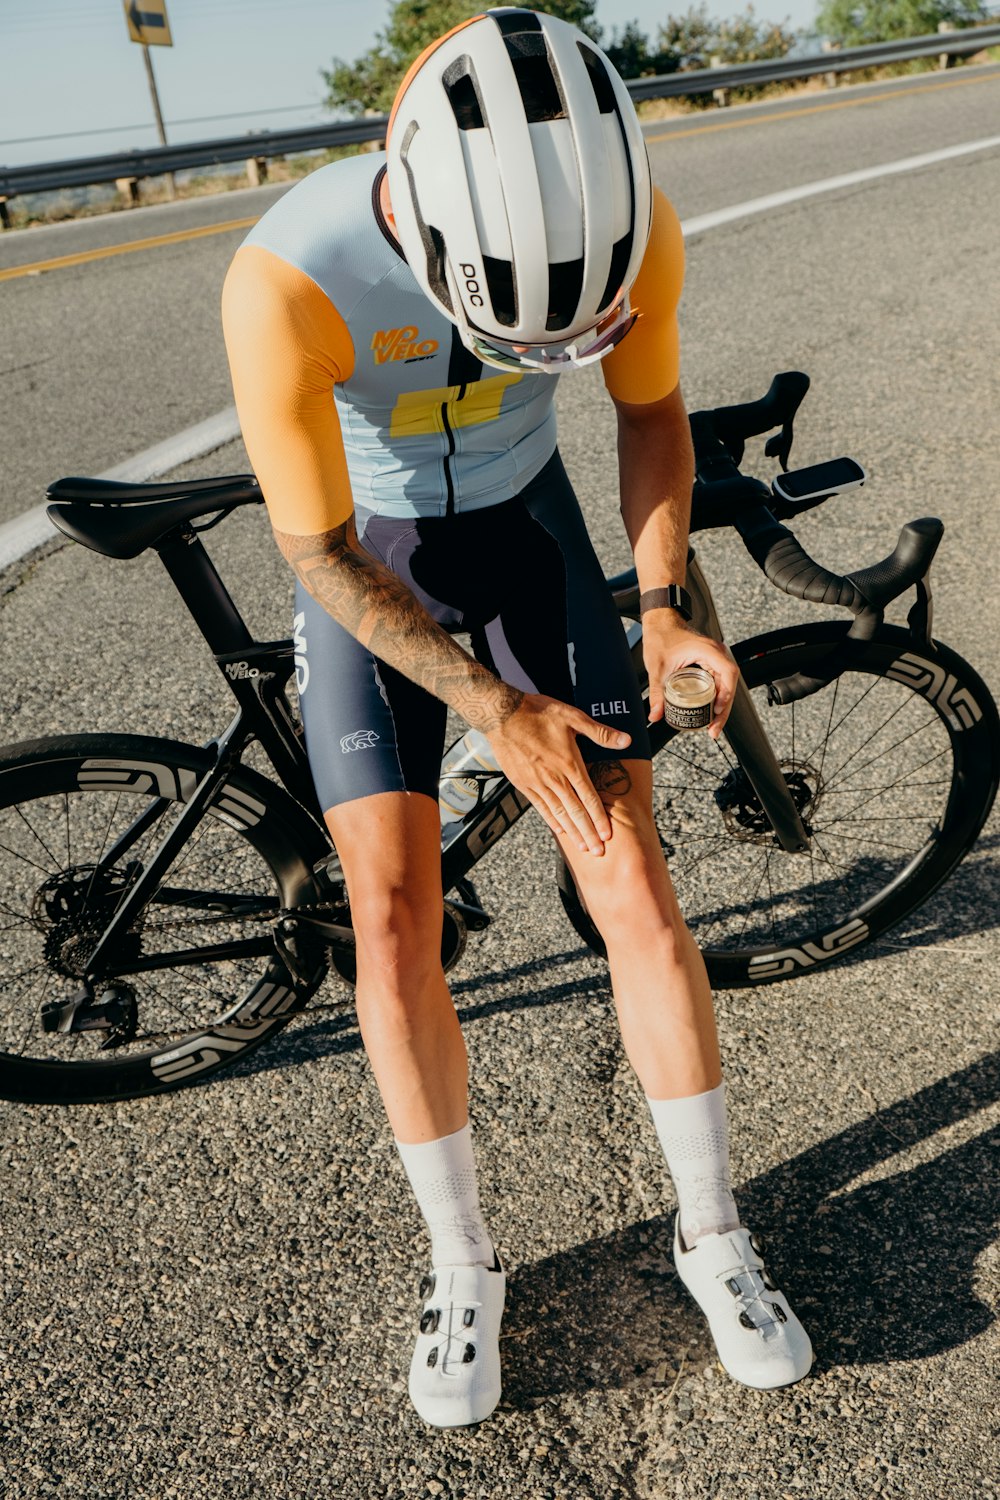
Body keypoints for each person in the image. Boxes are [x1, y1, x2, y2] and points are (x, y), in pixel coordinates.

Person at [222, 7, 812, 1428]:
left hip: (526, 526)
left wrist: (663, 598)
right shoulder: (288, 281)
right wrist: (499, 710)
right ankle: (461, 1258)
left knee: (630, 867)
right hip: (372, 555)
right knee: (390, 915)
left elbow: (648, 412)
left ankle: (713, 1233)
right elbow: (317, 558)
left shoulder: (633, 222)